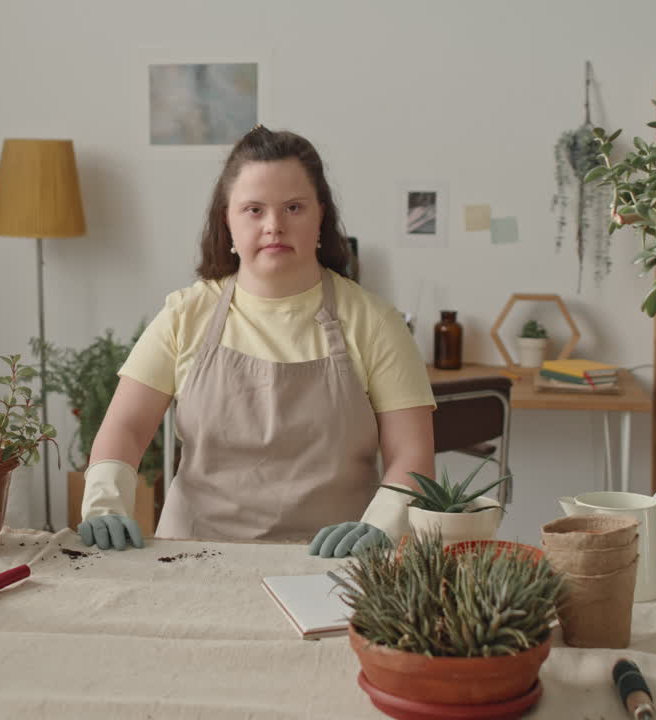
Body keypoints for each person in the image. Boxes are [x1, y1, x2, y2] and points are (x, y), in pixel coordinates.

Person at [77, 126, 437, 557]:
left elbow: (412, 452)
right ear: (226, 220)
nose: (274, 226)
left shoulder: (376, 323)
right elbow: (126, 427)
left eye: (294, 208)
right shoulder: (184, 315)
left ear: (320, 216)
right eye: (253, 210)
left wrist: (383, 523)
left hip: (332, 564)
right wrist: (105, 503)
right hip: (191, 555)